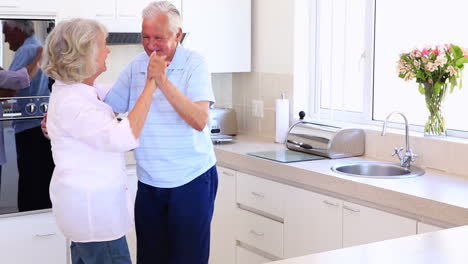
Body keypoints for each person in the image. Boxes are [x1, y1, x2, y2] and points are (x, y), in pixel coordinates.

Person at [104, 1, 218, 263]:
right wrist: (62, 119)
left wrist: (162, 82)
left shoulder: (195, 64)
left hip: (191, 180)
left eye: (158, 37)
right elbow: (109, 107)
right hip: (150, 183)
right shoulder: (136, 66)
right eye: (145, 37)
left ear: (177, 35)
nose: (151, 45)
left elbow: (200, 120)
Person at [41, 18, 159, 264]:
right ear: (86, 54)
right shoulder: (74, 103)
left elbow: (111, 96)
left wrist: (143, 82)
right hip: (96, 219)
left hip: (86, 216)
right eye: (103, 45)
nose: (108, 50)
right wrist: (151, 84)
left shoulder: (75, 91)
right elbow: (123, 137)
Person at [2, 20, 54, 212]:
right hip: (40, 125)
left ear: (17, 31)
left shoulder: (26, 50)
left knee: (31, 181)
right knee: (41, 181)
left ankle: (28, 224)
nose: (5, 39)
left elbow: (11, 86)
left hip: (29, 127)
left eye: (7, 33)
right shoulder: (38, 47)